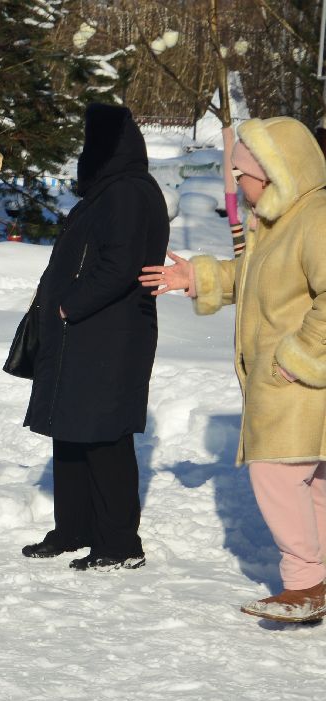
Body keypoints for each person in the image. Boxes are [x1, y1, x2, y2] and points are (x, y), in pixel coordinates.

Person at [141, 117, 326, 623]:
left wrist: (299, 357)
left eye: (241, 174)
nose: (237, 186)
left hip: (300, 380)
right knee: (309, 479)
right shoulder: (281, 220)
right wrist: (196, 276)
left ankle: (305, 584)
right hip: (297, 381)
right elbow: (253, 276)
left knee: (276, 472)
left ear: (271, 173)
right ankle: (317, 580)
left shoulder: (316, 218)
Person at [20, 104, 169, 571]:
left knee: (105, 436)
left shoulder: (127, 192)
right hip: (83, 334)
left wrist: (71, 303)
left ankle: (120, 543)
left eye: (90, 143)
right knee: (70, 430)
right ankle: (75, 528)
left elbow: (120, 264)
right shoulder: (108, 192)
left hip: (110, 334)